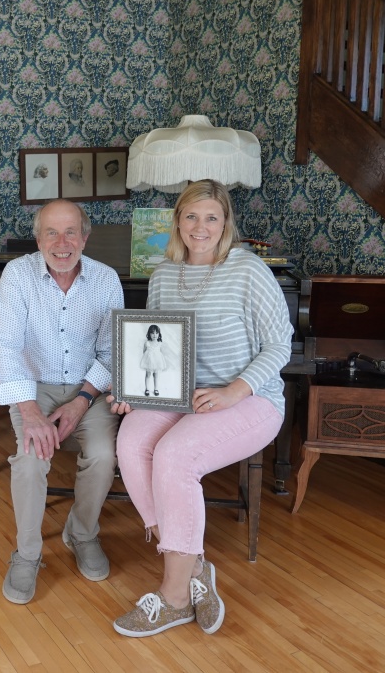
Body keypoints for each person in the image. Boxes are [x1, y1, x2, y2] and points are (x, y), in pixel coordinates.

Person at [109, 180, 292, 637]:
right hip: (180, 394)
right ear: (177, 222)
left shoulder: (249, 270)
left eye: (211, 217)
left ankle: (174, 598)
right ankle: (193, 567)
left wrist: (236, 389)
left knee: (174, 456)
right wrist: (134, 390)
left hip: (250, 399)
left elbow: (280, 345)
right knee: (130, 444)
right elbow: (157, 344)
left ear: (226, 223)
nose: (200, 226)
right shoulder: (163, 274)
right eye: (191, 216)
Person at [0, 199, 125, 605]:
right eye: (51, 232)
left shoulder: (106, 279)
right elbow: (8, 347)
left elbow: (110, 353)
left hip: (89, 387)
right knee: (31, 459)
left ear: (86, 237)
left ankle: (81, 533)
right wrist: (30, 412)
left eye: (71, 232)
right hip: (34, 387)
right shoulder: (17, 275)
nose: (62, 242)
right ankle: (28, 555)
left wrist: (82, 401)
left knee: (104, 455)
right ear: (38, 238)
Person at [139, 324, 173, 397]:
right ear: (149, 334)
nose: (155, 335)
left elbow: (161, 353)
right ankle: (147, 389)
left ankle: (156, 389)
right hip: (149, 361)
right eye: (152, 333)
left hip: (157, 362)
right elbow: (144, 352)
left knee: (156, 375)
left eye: (156, 333)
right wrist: (148, 358)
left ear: (159, 334)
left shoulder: (159, 343)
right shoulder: (147, 343)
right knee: (148, 374)